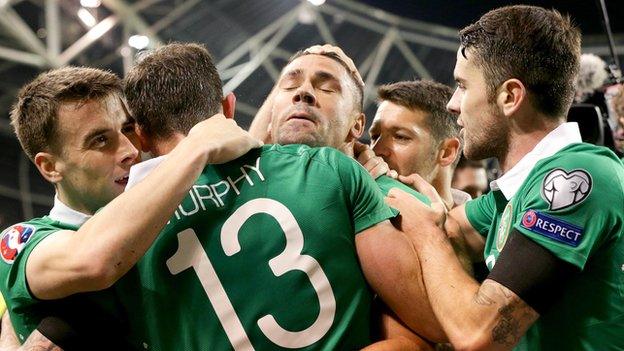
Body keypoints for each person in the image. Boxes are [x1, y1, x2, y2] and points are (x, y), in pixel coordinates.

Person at [119, 42, 441, 350]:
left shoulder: (117, 223)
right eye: (288, 86)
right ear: (238, 109)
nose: (304, 93)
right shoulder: (334, 174)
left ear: (357, 125)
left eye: (327, 87)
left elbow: (422, 334)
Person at [385, 5, 624, 350]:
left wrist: (426, 234)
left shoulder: (576, 177)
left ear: (510, 97)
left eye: (463, 86)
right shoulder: (516, 192)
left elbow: (481, 335)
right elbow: (449, 227)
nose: (453, 104)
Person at [0, 66, 260, 349]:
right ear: (50, 167)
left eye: (127, 129)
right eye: (100, 140)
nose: (129, 151)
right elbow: (93, 259)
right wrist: (196, 146)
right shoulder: (23, 241)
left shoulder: (170, 211)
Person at [369, 80, 469, 209]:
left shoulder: (490, 227)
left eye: (400, 137)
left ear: (447, 152)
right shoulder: (352, 221)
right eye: (375, 136)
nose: (376, 150)